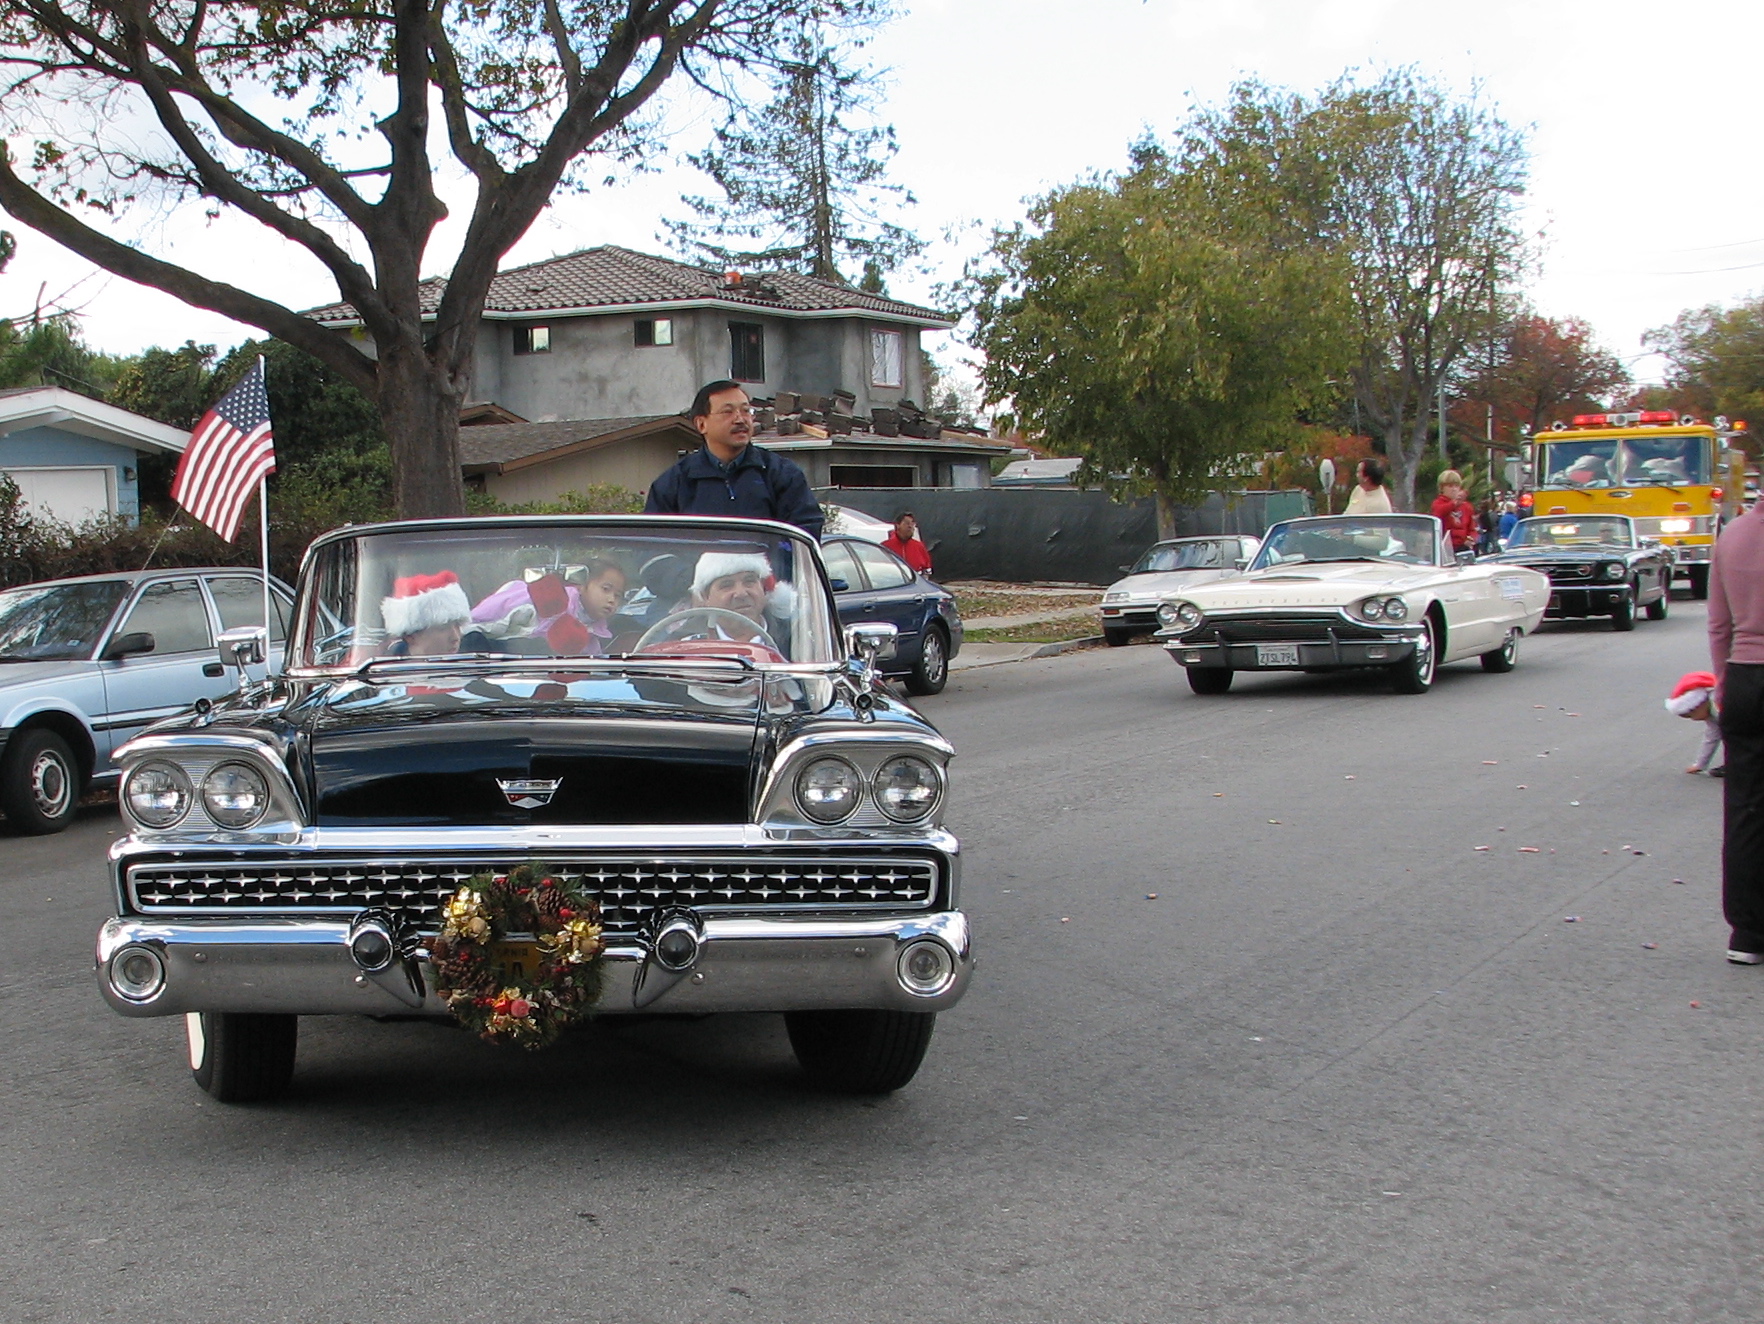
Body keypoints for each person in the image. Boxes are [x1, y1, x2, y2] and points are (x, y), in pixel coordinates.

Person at [645, 381, 824, 538]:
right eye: (727, 412)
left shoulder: (781, 474)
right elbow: (653, 547)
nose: (740, 419)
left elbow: (805, 531)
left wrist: (767, 570)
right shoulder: (673, 484)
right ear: (701, 424)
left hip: (765, 575)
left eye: (746, 411)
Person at [1709, 499, 1764, 963]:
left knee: (1746, 808)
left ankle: (1747, 932)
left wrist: (1724, 685)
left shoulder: (1732, 536)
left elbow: (1718, 624)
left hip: (1745, 675)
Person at [381, 571, 472, 656]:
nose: (455, 637)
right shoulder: (385, 671)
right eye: (443, 628)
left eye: (458, 626)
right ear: (410, 636)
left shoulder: (473, 668)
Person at [1666, 671, 1724, 776]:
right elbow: (1712, 737)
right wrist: (1700, 764)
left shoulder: (1719, 707)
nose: (1693, 720)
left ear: (1698, 704)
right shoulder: (1711, 714)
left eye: (1690, 715)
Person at [1431, 470, 1479, 555]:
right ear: (1442, 488)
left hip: (1463, 547)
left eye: (1456, 486)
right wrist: (1454, 503)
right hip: (1445, 549)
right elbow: (1438, 513)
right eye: (1450, 486)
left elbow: (1472, 528)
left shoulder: (1467, 507)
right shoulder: (1438, 503)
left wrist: (1471, 538)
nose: (1454, 489)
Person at [882, 511, 933, 576]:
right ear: (898, 525)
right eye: (907, 523)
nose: (910, 526)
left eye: (912, 524)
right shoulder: (886, 547)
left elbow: (927, 571)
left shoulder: (919, 546)